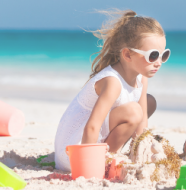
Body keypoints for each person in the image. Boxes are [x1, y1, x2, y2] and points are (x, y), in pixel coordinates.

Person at [54, 10, 165, 171]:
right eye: (153, 55)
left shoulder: (142, 78)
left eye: (163, 55)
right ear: (127, 54)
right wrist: (89, 167)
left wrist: (141, 151)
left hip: (94, 138)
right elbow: (92, 127)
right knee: (134, 111)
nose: (159, 62)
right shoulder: (112, 82)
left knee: (149, 102)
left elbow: (142, 124)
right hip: (75, 150)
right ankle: (105, 161)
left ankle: (115, 154)